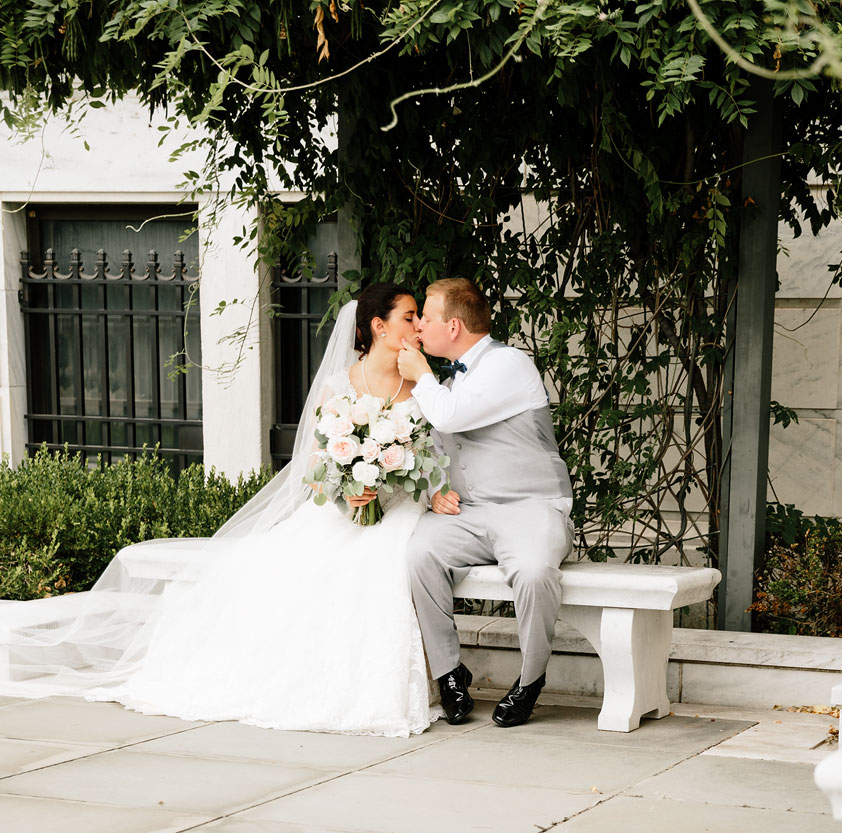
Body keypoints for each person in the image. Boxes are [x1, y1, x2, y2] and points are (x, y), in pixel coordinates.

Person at [0, 285, 452, 738]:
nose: (418, 325)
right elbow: (313, 466)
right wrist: (346, 491)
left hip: (397, 507)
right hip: (344, 508)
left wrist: (431, 491)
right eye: (410, 317)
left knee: (378, 560)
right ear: (379, 326)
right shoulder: (338, 386)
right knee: (290, 569)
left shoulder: (422, 383)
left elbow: (438, 453)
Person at [398, 277, 574, 728]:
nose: (419, 330)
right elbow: (434, 444)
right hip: (470, 514)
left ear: (453, 327)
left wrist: (419, 374)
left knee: (534, 572)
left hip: (530, 509)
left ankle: (531, 679)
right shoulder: (448, 379)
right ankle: (450, 672)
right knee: (418, 554)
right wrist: (435, 490)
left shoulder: (509, 364)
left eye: (428, 319)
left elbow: (450, 416)